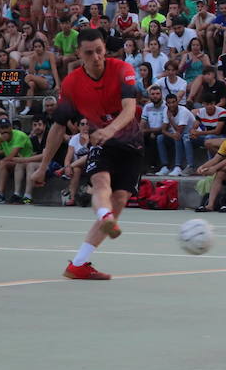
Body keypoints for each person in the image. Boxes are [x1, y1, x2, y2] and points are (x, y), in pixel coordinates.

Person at [32, 28, 144, 280]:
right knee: (101, 182)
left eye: (99, 51)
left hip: (131, 144)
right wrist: (42, 166)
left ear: (106, 49)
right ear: (78, 54)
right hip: (101, 142)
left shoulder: (122, 69)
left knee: (120, 199)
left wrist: (111, 129)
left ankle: (78, 265)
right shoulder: (72, 83)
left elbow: (130, 109)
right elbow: (58, 126)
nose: (95, 57)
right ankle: (105, 216)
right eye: (89, 53)